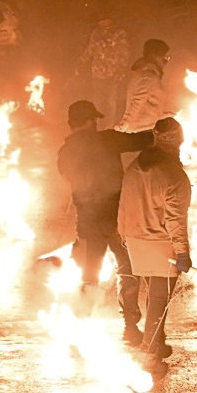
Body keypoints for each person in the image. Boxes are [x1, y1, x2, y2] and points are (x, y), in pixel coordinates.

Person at [57, 101, 153, 343]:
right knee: (128, 272)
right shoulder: (107, 140)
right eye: (94, 120)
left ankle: (78, 328)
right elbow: (142, 140)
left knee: (89, 275)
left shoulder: (64, 154)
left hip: (88, 224)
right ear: (90, 121)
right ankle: (131, 327)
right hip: (117, 221)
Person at [117, 117, 192, 363]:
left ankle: (157, 341)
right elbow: (175, 220)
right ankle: (150, 346)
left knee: (154, 292)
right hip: (161, 244)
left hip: (135, 239)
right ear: (178, 141)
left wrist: (124, 234)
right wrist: (182, 253)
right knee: (160, 297)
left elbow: (124, 203)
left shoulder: (135, 166)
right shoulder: (174, 175)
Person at [76, 12, 132, 127]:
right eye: (101, 20)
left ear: (110, 20)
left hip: (113, 73)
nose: (102, 22)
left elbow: (125, 52)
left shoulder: (119, 33)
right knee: (98, 101)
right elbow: (90, 50)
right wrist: (81, 62)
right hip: (97, 73)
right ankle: (98, 125)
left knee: (111, 101)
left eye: (105, 19)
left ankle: (109, 127)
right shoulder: (96, 33)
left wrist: (122, 69)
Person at [116, 39, 172, 133]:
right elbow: (137, 100)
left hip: (145, 127)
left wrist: (165, 115)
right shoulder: (149, 77)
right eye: (165, 57)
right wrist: (124, 125)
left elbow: (149, 104)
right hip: (141, 130)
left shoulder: (144, 73)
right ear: (156, 57)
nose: (166, 61)